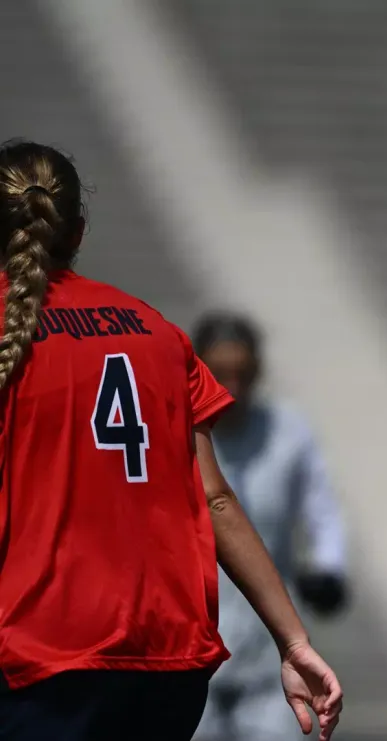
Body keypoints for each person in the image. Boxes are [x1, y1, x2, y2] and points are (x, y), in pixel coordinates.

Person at [0, 140, 342, 741]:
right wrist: (294, 640)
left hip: (40, 649)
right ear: (77, 231)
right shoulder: (157, 330)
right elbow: (215, 499)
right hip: (167, 656)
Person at [189, 312, 350, 741]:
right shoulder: (176, 433)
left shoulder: (287, 430)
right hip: (194, 651)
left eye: (242, 374)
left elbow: (321, 507)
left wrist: (329, 566)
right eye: (220, 374)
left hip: (268, 650)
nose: (233, 388)